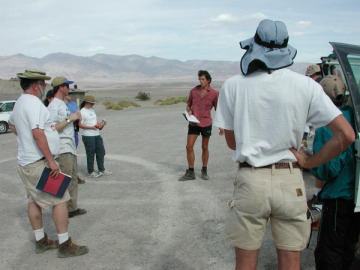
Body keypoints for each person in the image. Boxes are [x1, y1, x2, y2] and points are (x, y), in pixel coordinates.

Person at [213, 19, 355, 270]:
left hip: (251, 180)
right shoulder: (306, 86)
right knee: (291, 264)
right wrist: (308, 161)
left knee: (245, 265)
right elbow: (346, 135)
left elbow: (233, 143)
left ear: (254, 46)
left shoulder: (233, 86)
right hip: (290, 182)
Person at [8, 69, 88, 257]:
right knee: (60, 198)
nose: (45, 87)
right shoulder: (34, 104)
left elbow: (12, 125)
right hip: (38, 163)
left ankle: (41, 240)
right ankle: (65, 244)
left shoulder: (20, 102)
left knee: (33, 201)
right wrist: (52, 161)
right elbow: (38, 133)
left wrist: (24, 139)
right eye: (43, 84)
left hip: (27, 162)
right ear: (36, 85)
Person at [309, 75, 360, 270]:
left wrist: (311, 161)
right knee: (349, 245)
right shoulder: (355, 117)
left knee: (329, 250)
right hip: (356, 198)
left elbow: (328, 169)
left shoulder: (329, 124)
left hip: (339, 198)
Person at [47, 76, 87, 218]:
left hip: (70, 147)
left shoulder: (62, 104)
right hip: (62, 148)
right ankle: (61, 209)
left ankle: (71, 207)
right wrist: (70, 118)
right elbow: (53, 128)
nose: (69, 88)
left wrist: (73, 118)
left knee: (73, 178)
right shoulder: (54, 106)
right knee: (64, 180)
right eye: (67, 86)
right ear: (61, 88)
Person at [178, 70, 222, 181]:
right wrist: (188, 111)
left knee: (205, 147)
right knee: (189, 147)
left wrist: (221, 126)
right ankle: (191, 172)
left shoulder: (214, 93)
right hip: (193, 123)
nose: (200, 81)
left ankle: (204, 170)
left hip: (206, 123)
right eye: (199, 79)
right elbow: (188, 105)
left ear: (208, 80)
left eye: (203, 79)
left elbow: (219, 110)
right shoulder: (193, 91)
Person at [79, 95, 111, 178]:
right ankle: (91, 171)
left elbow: (93, 122)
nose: (93, 105)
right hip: (88, 135)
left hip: (96, 134)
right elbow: (80, 124)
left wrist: (101, 124)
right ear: (86, 102)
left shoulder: (92, 110)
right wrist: (91, 127)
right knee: (90, 153)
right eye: (91, 103)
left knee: (101, 151)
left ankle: (102, 169)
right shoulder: (82, 111)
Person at [64, 92, 86, 184]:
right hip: (65, 132)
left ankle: (74, 176)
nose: (70, 95)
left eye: (70, 93)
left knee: (73, 154)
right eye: (68, 93)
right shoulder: (61, 105)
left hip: (74, 130)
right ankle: (68, 178)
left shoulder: (73, 104)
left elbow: (79, 116)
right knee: (65, 155)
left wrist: (77, 117)